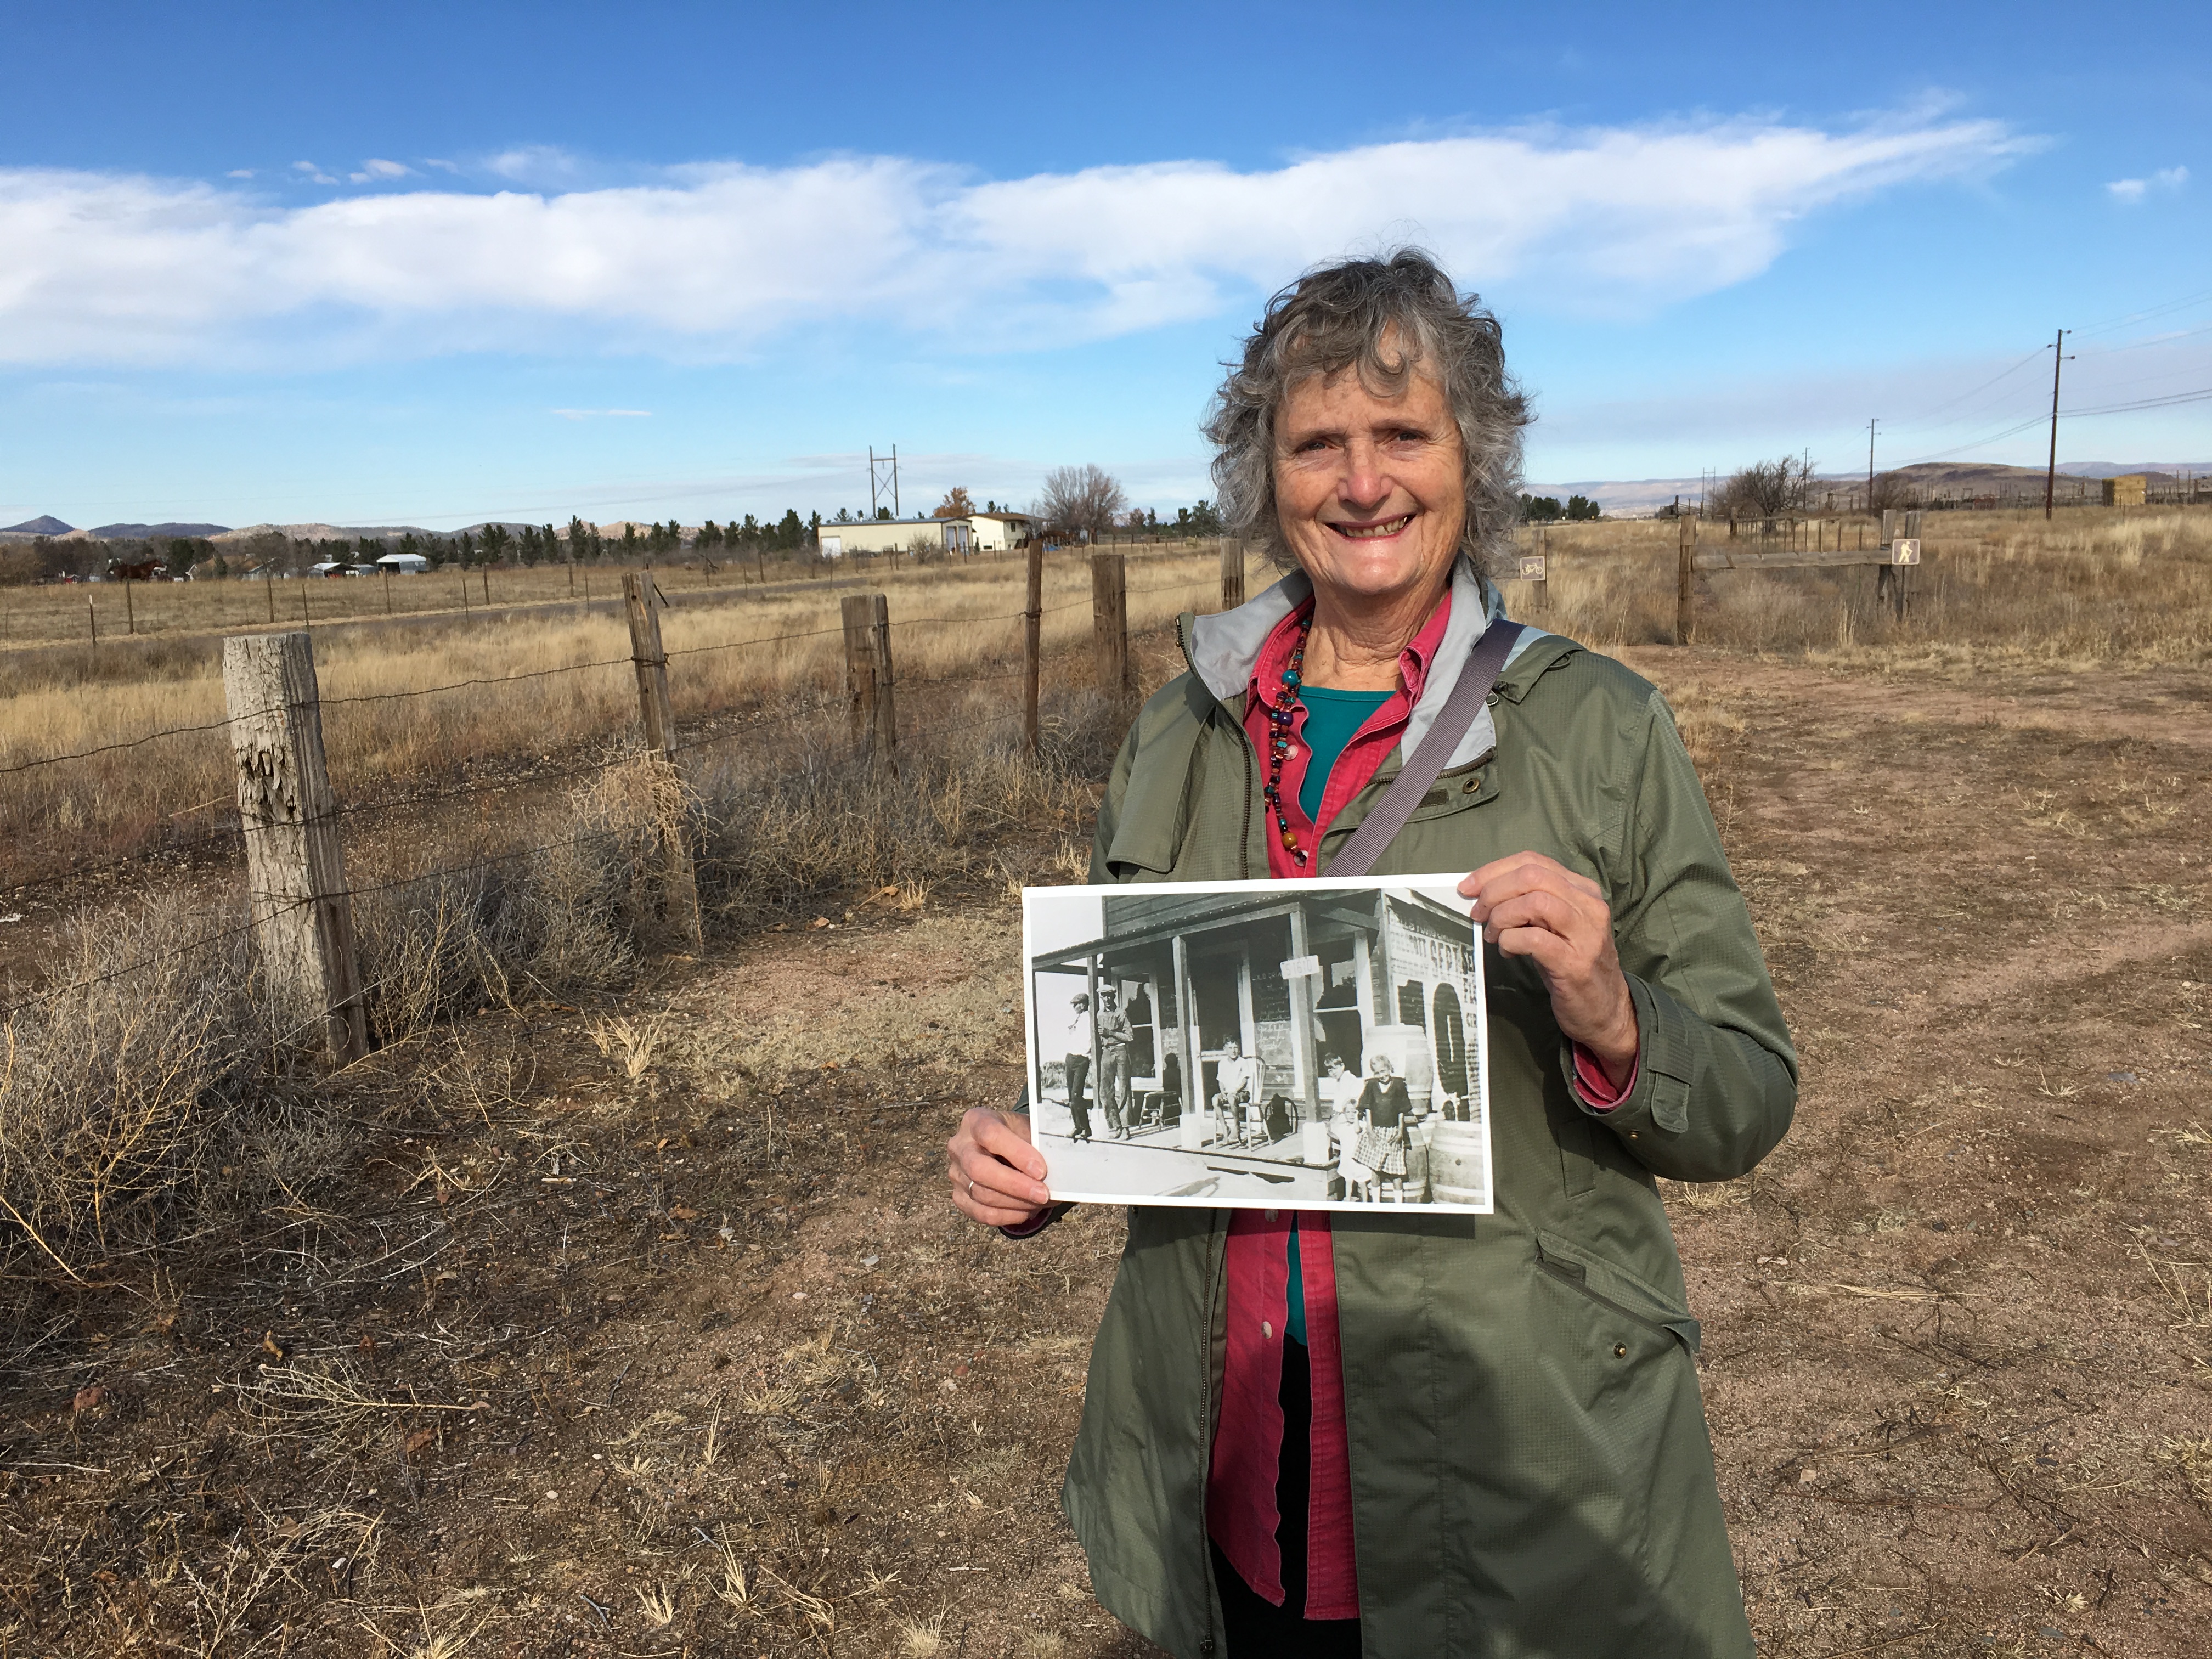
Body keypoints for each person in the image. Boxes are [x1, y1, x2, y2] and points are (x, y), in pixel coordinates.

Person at [947, 249, 1796, 1657]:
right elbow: (1143, 1057)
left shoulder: (1599, 729)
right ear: (1263, 475)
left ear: (1475, 457)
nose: (1362, 483)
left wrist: (1616, 1018)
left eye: (1403, 434)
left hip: (1506, 1471)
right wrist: (1045, 1150)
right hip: (1229, 1453)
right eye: (1316, 444)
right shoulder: (1178, 733)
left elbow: (1749, 1094)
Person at [1352, 1054, 1413, 1203]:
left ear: (1390, 1068)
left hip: (1393, 1132)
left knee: (1396, 1172)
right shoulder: (1371, 1085)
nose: (1381, 1076)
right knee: (1375, 1170)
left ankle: (1399, 1206)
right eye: (1377, 1073)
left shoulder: (1399, 1085)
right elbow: (1368, 1108)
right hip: (1377, 1132)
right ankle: (1376, 1204)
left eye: (1384, 1071)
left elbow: (1401, 1111)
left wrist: (1400, 1131)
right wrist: (1370, 1130)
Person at [1094, 985, 1134, 1140]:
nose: (1107, 999)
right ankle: (1116, 1126)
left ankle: (1126, 1128)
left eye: (1109, 996)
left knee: (1123, 1088)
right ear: (1101, 998)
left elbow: (1130, 1036)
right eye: (1104, 996)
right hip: (1107, 1052)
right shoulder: (1099, 1014)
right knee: (1105, 1091)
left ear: (1114, 997)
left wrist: (1110, 1033)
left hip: (1120, 1050)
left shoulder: (1121, 1013)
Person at [1209, 1037, 1261, 1147]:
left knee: (1232, 1099)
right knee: (1215, 1100)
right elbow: (1221, 1081)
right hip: (1227, 1093)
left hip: (1242, 1093)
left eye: (1236, 1048)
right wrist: (1223, 1092)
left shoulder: (1242, 1062)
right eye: (1230, 1048)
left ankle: (1237, 1126)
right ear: (1225, 1049)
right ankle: (1225, 1127)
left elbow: (1244, 1081)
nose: (1233, 1051)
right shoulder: (1222, 1063)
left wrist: (1236, 1091)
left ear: (1239, 1049)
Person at [1061, 992, 1093, 1143]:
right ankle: (1077, 1127)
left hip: (1081, 1059)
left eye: (1077, 1004)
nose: (1074, 1007)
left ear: (1084, 1004)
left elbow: (1088, 1041)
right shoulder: (1078, 1019)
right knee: (1071, 1097)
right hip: (1071, 1058)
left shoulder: (1089, 1019)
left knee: (1076, 1095)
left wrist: (1086, 1051)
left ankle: (1086, 1128)